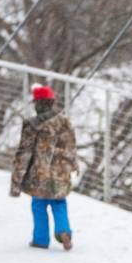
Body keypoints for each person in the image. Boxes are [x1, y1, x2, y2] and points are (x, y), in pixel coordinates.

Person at [10, 85, 79, 250]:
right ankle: (64, 231)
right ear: (52, 101)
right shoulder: (65, 122)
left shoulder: (31, 125)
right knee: (59, 203)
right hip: (61, 171)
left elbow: (24, 153)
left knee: (38, 205)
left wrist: (16, 180)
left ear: (37, 103)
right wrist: (73, 165)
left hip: (39, 173)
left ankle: (40, 240)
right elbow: (71, 146)